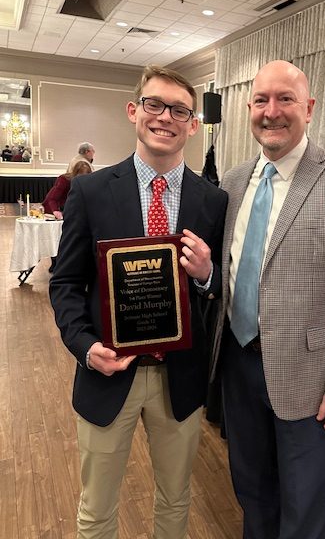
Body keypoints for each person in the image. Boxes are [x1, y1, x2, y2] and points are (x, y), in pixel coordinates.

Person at [49, 65, 227, 539]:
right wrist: (85, 347)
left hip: (180, 381)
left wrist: (207, 275)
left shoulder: (213, 201)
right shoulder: (89, 192)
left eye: (180, 110)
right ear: (134, 111)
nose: (165, 117)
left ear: (193, 124)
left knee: (175, 501)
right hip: (108, 374)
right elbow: (65, 283)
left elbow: (218, 291)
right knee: (97, 508)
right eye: (154, 104)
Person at [211, 60, 325, 539]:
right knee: (251, 492)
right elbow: (225, 274)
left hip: (311, 382)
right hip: (238, 365)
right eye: (262, 100)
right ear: (249, 109)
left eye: (285, 99)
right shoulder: (232, 181)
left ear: (308, 109)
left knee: (305, 510)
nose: (273, 111)